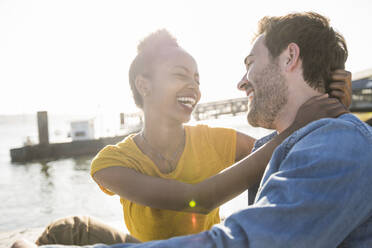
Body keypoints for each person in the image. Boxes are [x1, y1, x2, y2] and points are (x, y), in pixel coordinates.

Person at [11, 13, 357, 247]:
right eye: (180, 75)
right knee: (70, 228)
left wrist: (328, 110)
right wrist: (300, 126)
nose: (194, 87)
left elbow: (280, 158)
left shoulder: (217, 139)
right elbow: (198, 200)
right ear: (143, 85)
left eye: (197, 78)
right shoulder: (110, 162)